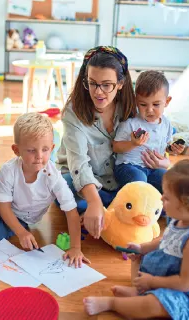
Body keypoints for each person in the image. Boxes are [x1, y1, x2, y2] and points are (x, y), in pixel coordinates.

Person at [84, 160, 189, 319]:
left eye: (168, 197)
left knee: (154, 305)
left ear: (188, 205)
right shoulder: (182, 217)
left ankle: (112, 303)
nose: (162, 199)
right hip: (171, 273)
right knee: (140, 257)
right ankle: (139, 292)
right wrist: (141, 248)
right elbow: (167, 240)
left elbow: (187, 283)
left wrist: (153, 281)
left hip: (187, 294)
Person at [0, 113, 89, 267]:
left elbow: (71, 212)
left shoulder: (54, 177)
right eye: (31, 150)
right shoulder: (9, 170)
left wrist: (75, 248)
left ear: (52, 148)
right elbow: (3, 207)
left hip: (22, 218)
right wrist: (21, 232)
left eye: (45, 149)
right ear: (16, 150)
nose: (39, 156)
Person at [56, 46, 137, 239]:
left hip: (116, 176)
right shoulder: (73, 112)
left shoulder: (129, 108)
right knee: (62, 190)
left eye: (107, 85)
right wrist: (93, 202)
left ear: (120, 83)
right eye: (92, 83)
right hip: (79, 178)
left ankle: (105, 208)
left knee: (146, 183)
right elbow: (78, 164)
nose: (98, 92)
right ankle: (107, 208)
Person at [113, 70, 185, 193]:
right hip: (128, 166)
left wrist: (171, 149)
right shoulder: (131, 122)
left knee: (169, 181)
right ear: (136, 101)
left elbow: (164, 146)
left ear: (167, 102)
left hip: (152, 168)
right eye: (143, 104)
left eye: (156, 104)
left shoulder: (166, 124)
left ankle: (163, 210)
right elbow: (115, 147)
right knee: (139, 179)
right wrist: (133, 144)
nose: (150, 110)